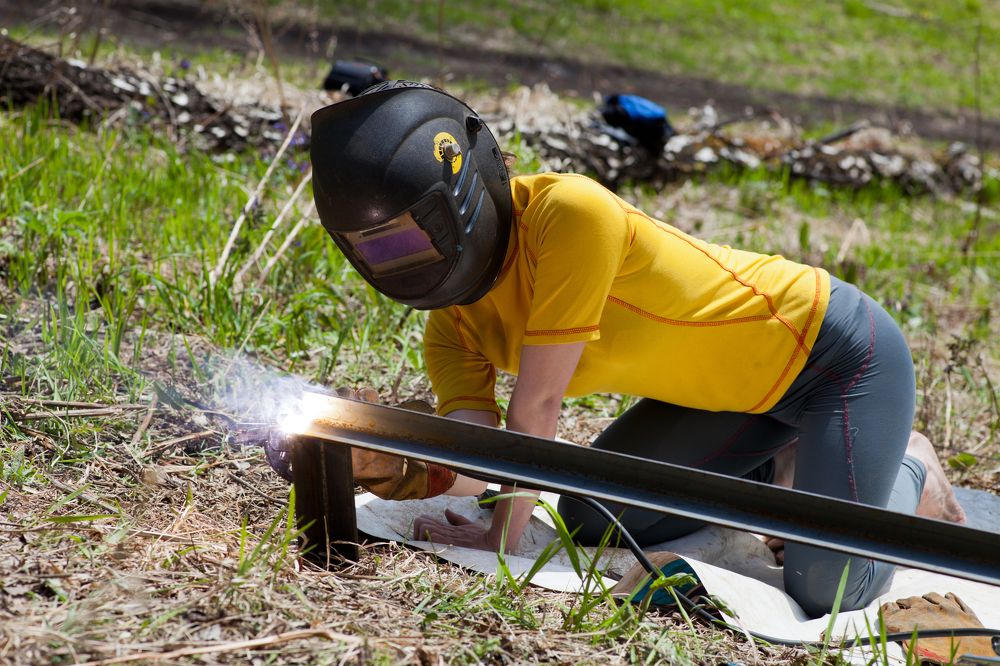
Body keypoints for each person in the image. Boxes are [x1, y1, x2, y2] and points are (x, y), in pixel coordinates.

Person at [308, 80, 966, 617]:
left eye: (413, 234)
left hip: (835, 356)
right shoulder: (449, 326)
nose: (403, 259)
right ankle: (790, 466)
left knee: (826, 588)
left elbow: (535, 410)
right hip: (736, 402)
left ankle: (911, 472)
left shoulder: (569, 214)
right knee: (592, 517)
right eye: (379, 247)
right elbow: (477, 456)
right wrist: (380, 463)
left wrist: (499, 541)